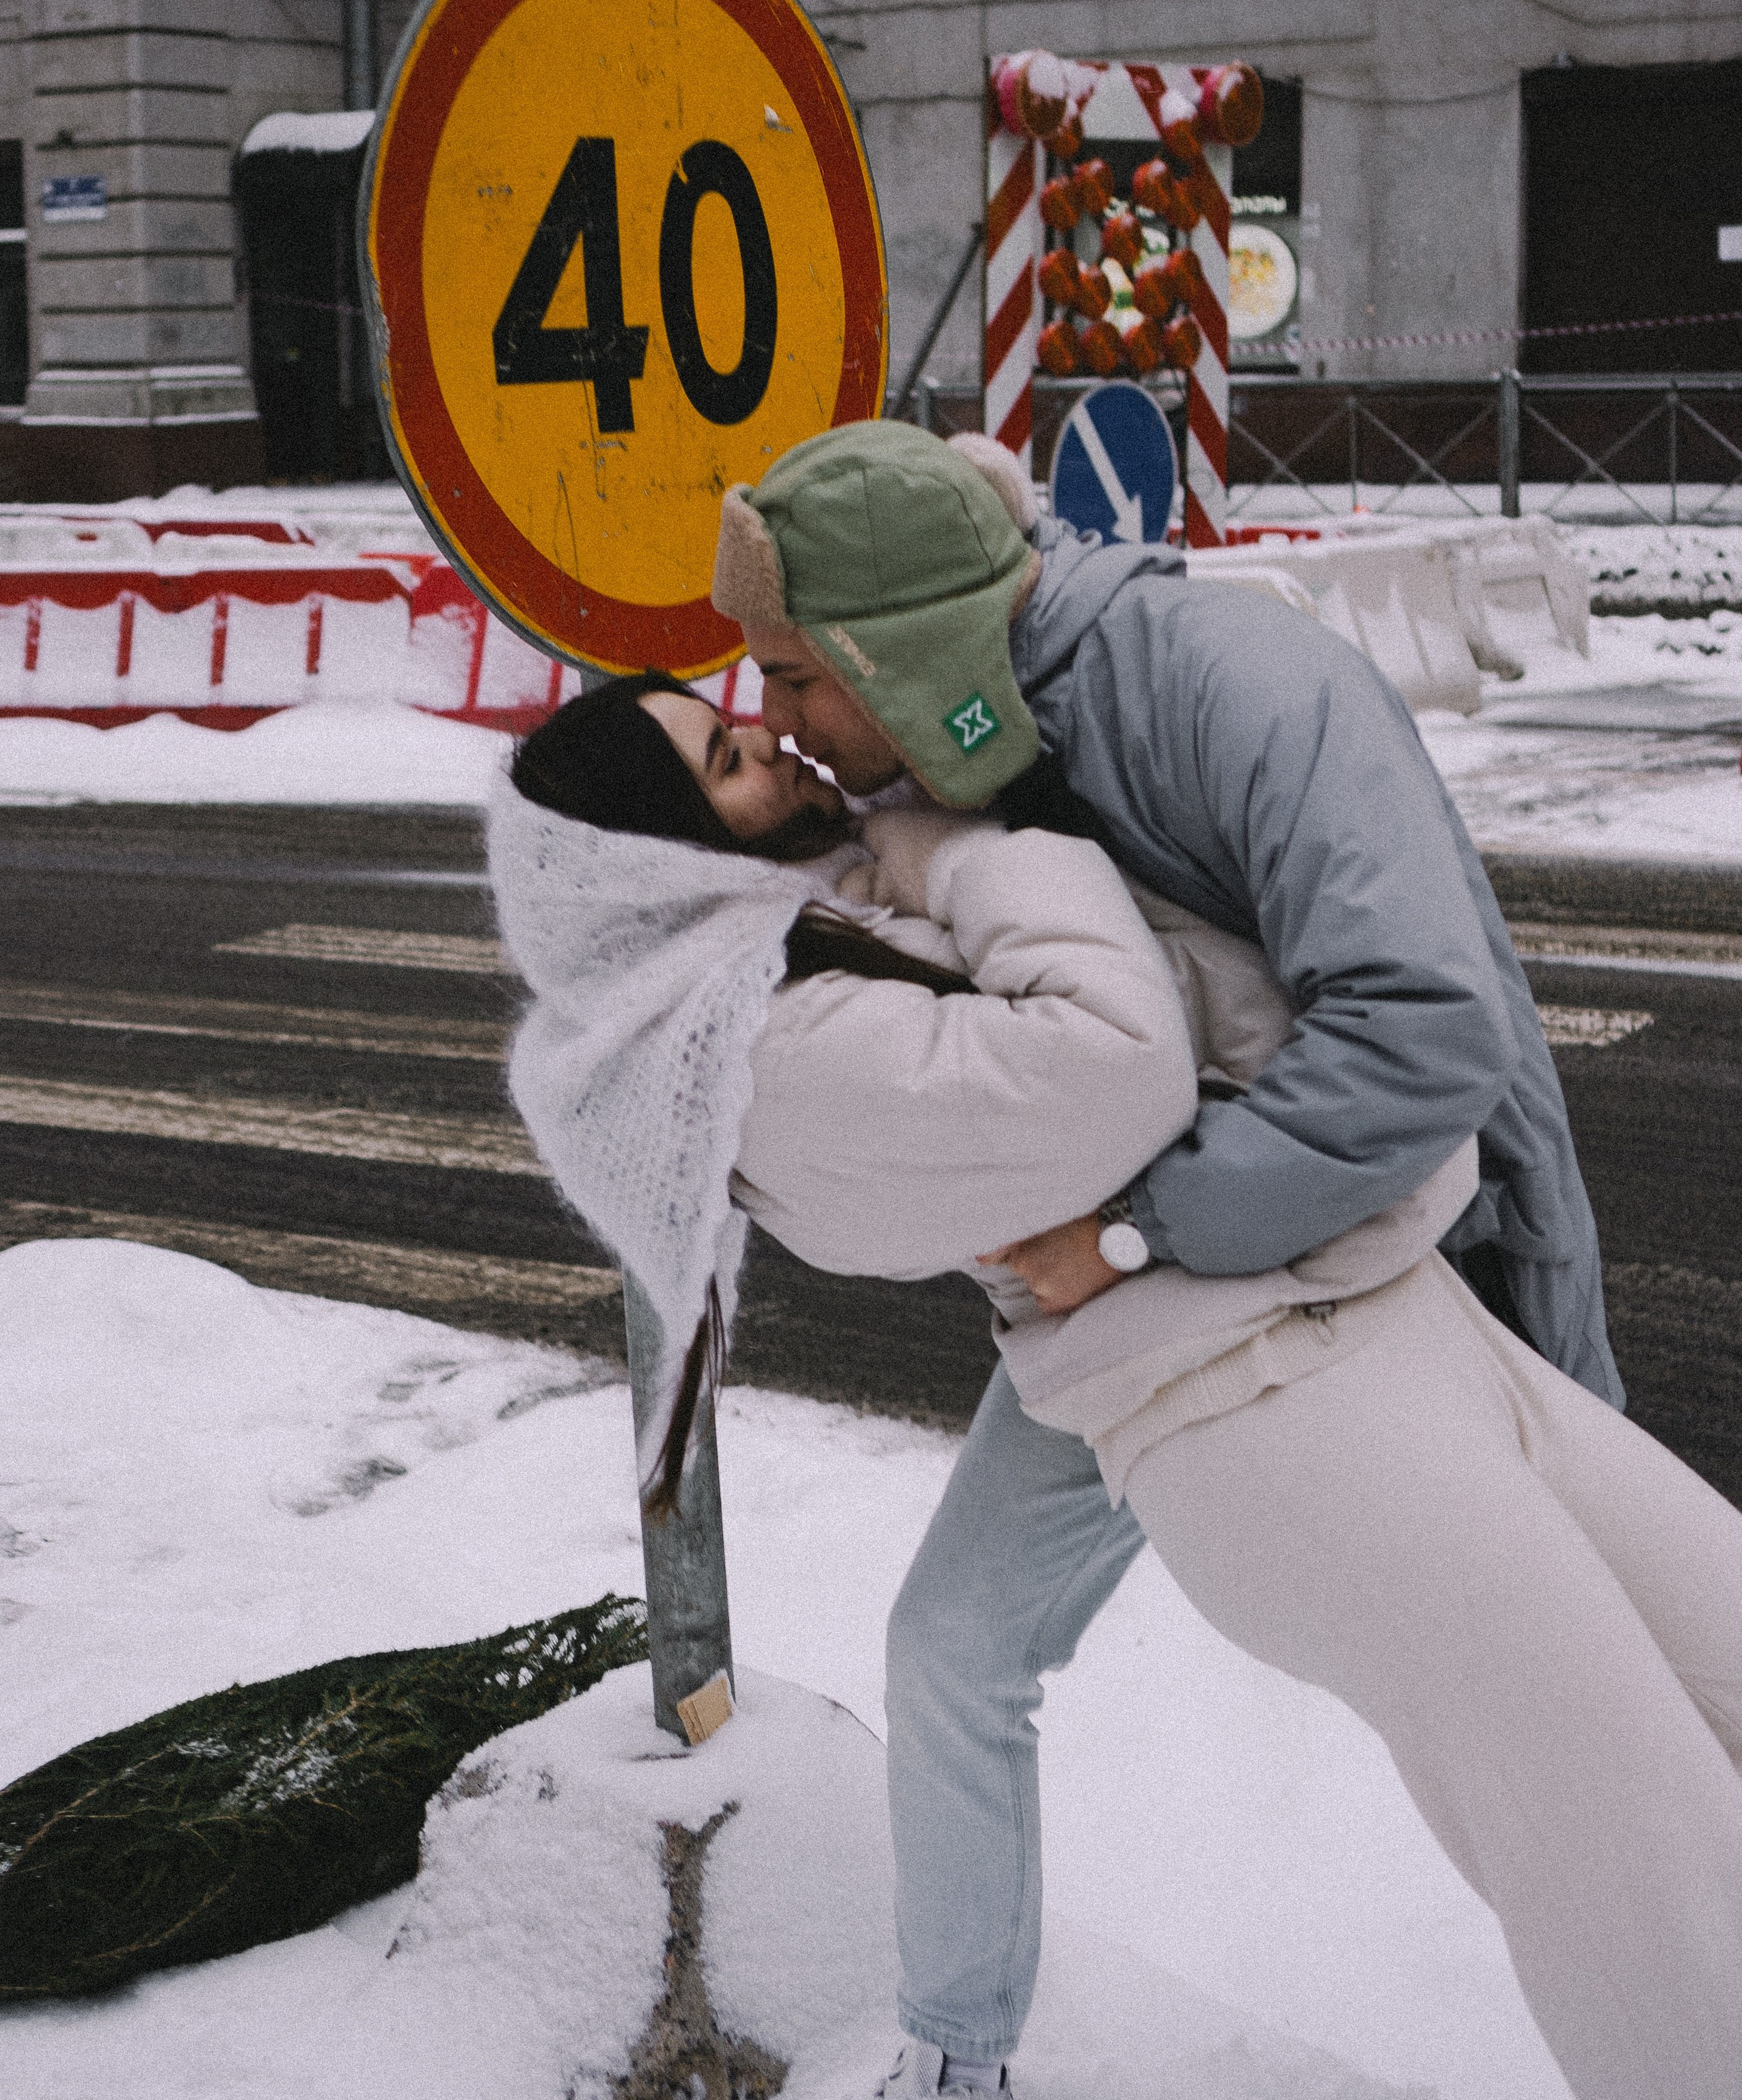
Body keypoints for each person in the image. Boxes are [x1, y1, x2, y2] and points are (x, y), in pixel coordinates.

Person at [492, 672, 1742, 2100]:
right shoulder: (780, 1058)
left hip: (1392, 1313)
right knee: (1624, 1843)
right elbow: (1123, 1065)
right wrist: (958, 847)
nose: (771, 740)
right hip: (1265, 1405)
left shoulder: (834, 907)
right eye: (724, 762)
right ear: (661, 859)